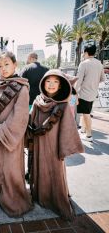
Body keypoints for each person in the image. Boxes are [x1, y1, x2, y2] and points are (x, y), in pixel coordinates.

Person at [0, 51, 33, 217]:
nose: (3, 69)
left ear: (15, 65)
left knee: (11, 169)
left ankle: (15, 201)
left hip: (10, 137)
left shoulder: (22, 87)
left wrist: (2, 132)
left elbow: (20, 116)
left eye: (7, 64)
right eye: (0, 65)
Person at [28, 69, 84, 221]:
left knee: (54, 170)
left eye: (55, 82)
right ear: (43, 83)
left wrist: (63, 148)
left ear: (60, 86)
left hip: (54, 146)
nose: (51, 85)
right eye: (48, 81)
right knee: (39, 167)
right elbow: (31, 121)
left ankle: (55, 197)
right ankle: (41, 194)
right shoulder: (38, 100)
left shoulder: (63, 106)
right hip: (39, 143)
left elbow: (68, 128)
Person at [75, 45, 105, 142]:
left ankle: (89, 135)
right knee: (85, 112)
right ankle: (83, 130)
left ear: (86, 52)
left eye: (84, 53)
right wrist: (93, 82)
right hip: (93, 93)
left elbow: (78, 80)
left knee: (86, 114)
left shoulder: (84, 64)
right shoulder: (100, 64)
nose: (83, 54)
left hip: (84, 93)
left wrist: (74, 91)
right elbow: (103, 79)